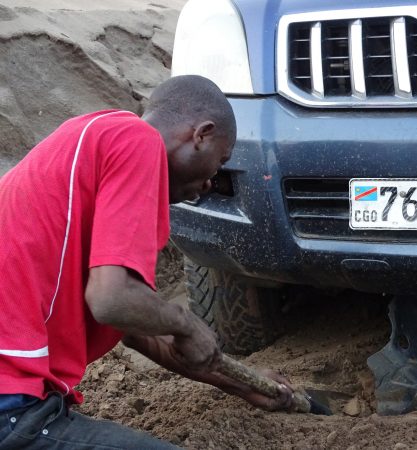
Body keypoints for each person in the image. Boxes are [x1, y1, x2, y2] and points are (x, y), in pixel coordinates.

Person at [0, 75, 293, 449]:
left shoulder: (93, 138)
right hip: (11, 404)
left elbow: (141, 330)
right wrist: (186, 323)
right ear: (201, 134)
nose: (208, 184)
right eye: (218, 164)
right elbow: (111, 300)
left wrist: (244, 383)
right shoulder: (137, 142)